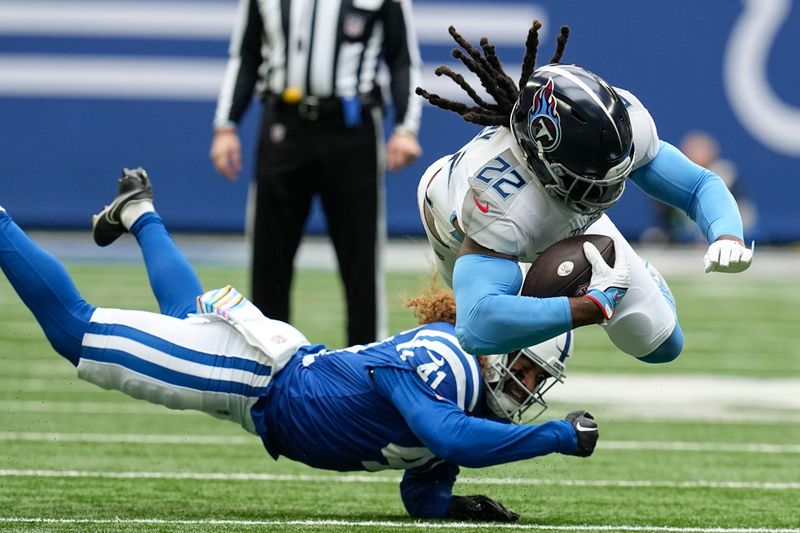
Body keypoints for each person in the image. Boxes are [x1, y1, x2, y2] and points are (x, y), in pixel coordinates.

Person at [2, 168, 599, 522]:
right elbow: (445, 437)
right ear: (495, 349)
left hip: (270, 372)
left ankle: (139, 210)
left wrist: (459, 509)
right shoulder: (450, 364)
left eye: (533, 382)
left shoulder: (462, 397)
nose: (524, 388)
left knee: (186, 316)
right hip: (252, 374)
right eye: (523, 370)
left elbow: (422, 488)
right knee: (76, 333)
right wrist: (554, 437)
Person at [414, 21, 754, 361]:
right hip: (455, 229)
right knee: (503, 355)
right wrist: (587, 307)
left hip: (555, 215)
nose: (608, 189)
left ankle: (626, 273)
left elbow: (698, 185)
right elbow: (477, 327)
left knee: (661, 344)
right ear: (542, 159)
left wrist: (727, 235)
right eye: (591, 180)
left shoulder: (621, 123)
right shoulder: (498, 198)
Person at [209, 0, 423, 346]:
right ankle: (267, 367)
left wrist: (406, 127)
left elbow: (402, 59)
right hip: (283, 125)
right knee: (269, 259)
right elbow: (246, 55)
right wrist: (226, 126)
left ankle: (365, 366)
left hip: (350, 128)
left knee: (361, 262)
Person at [642, 131, 759, 244]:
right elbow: (664, 215)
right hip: (683, 232)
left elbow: (742, 210)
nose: (697, 155)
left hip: (722, 231)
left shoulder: (725, 175)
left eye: (701, 150)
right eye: (694, 150)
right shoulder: (673, 175)